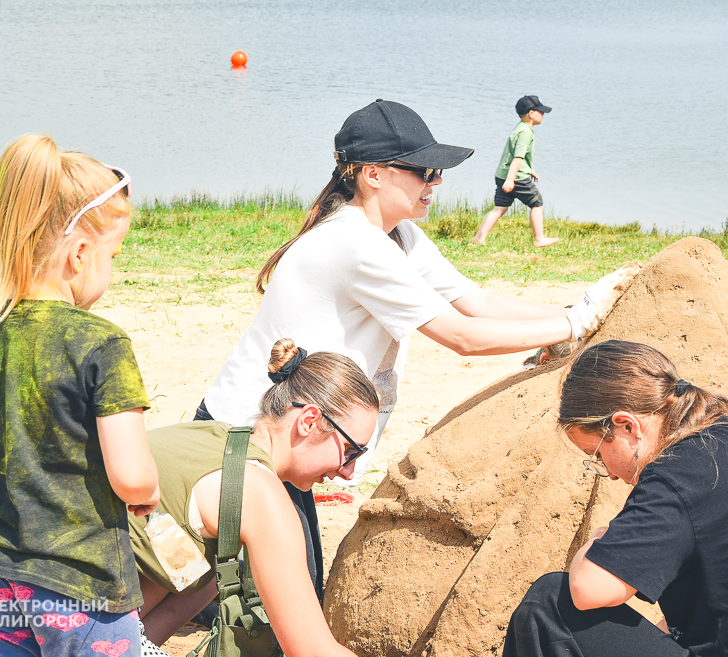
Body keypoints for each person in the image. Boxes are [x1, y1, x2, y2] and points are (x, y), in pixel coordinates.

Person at [198, 99, 641, 599]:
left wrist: (572, 318)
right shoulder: (356, 244)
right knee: (264, 611)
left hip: (290, 437)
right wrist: (575, 322)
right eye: (424, 171)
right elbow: (462, 337)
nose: (437, 182)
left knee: (273, 600)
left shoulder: (398, 235)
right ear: (373, 175)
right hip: (242, 441)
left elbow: (476, 302)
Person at [502, 340, 728, 657]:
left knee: (549, 601)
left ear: (627, 425)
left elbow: (588, 589)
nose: (608, 472)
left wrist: (594, 542)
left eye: (597, 452)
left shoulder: (679, 472)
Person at [0, 135, 160, 655]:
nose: (113, 268)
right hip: (80, 591)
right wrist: (147, 495)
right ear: (80, 253)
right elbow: (132, 476)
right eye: (114, 253)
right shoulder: (100, 344)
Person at [132, 339, 379, 656]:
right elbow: (312, 651)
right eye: (350, 451)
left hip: (61, 608)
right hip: (69, 622)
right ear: (308, 422)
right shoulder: (260, 494)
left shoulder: (217, 441)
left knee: (211, 567)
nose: (348, 472)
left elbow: (175, 574)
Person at [471, 95, 558, 247]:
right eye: (541, 111)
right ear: (531, 113)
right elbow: (518, 157)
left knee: (499, 207)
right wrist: (511, 179)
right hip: (516, 177)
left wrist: (529, 169)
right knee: (537, 203)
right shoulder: (526, 132)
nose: (543, 114)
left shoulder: (519, 128)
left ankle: (479, 238)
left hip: (502, 174)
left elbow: (514, 155)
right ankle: (539, 238)